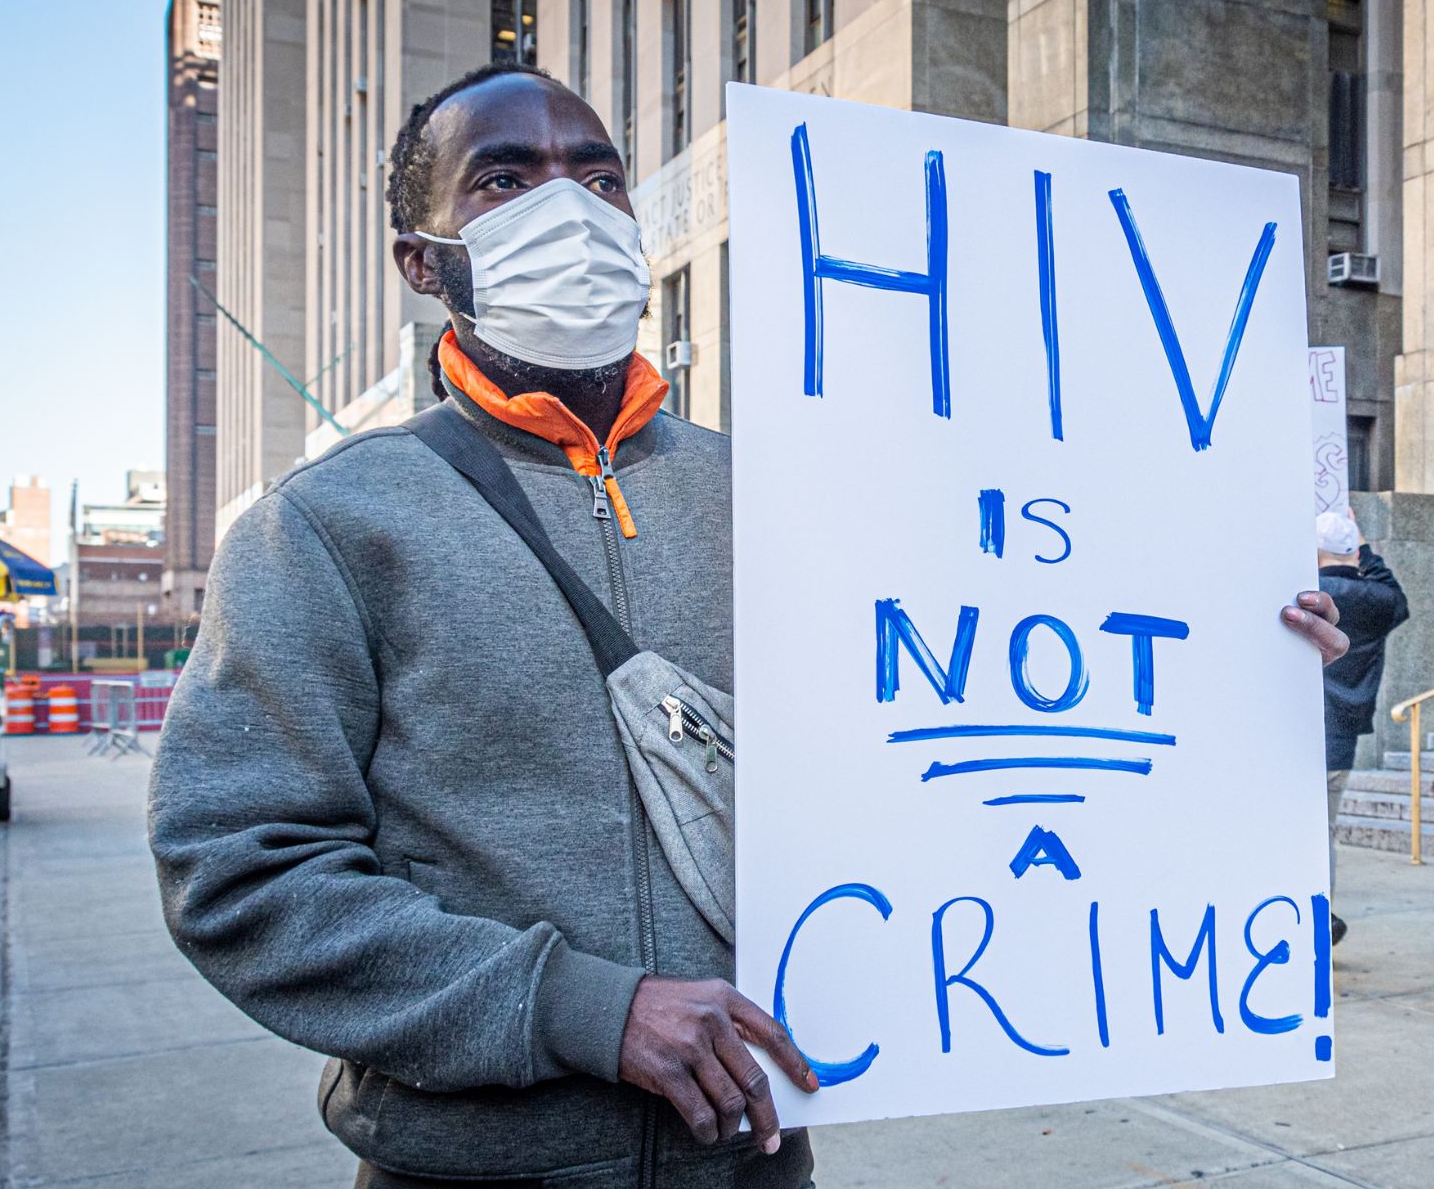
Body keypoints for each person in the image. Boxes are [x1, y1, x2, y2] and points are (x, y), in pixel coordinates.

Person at [146, 65, 1354, 1189]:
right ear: (423, 261)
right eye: (505, 181)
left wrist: (1231, 642)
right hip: (474, 1168)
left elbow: (971, 700)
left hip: (754, 1158)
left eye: (599, 177)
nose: (569, 207)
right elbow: (241, 872)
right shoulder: (329, 527)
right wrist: (579, 1009)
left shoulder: (785, 492)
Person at [1316, 508, 1410, 947]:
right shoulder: (1381, 600)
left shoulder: (1308, 593)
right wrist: (1366, 549)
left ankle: (1313, 920)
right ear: (1353, 552)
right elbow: (1395, 592)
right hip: (1343, 738)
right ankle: (1320, 919)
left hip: (1300, 732)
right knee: (1324, 833)